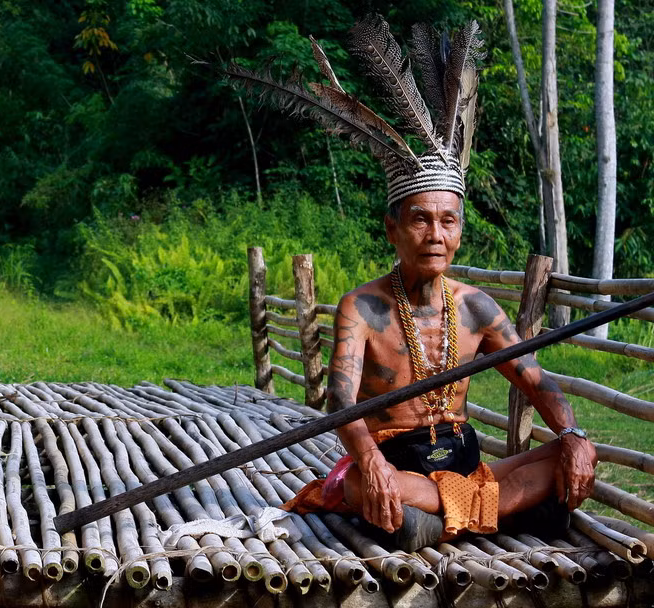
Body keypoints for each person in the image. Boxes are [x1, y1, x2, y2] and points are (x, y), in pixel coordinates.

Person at [227, 16, 596, 550]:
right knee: (359, 484)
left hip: (462, 464)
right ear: (392, 229)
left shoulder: (476, 309)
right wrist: (371, 458)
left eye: (448, 221)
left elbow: (535, 380)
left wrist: (572, 435)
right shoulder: (363, 307)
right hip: (392, 462)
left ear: (461, 231)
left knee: (572, 457)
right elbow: (340, 399)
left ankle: (440, 518)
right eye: (420, 219)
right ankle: (497, 514)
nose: (435, 235)